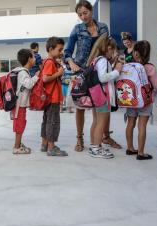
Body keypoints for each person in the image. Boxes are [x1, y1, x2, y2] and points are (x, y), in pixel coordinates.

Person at [64, 0, 120, 152]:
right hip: (82, 71)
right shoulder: (77, 29)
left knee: (102, 105)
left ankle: (104, 136)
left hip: (99, 69)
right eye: (80, 14)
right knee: (80, 106)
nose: (83, 16)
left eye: (85, 13)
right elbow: (67, 51)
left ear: (91, 11)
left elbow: (108, 46)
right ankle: (79, 138)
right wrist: (71, 62)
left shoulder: (103, 27)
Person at [125, 40, 157, 160]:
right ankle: (140, 153)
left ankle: (130, 148)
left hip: (131, 100)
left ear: (135, 53)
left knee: (130, 124)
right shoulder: (149, 67)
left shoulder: (129, 66)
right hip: (145, 101)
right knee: (142, 126)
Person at [86, 34, 122, 159]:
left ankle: (94, 145)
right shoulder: (103, 60)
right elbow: (103, 77)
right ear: (108, 48)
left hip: (96, 96)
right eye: (113, 49)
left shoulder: (96, 60)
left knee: (96, 121)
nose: (114, 52)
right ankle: (96, 148)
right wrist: (117, 70)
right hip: (103, 96)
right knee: (101, 122)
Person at [40, 36, 68, 157]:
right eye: (59, 49)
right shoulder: (50, 62)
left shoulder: (49, 62)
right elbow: (45, 78)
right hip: (53, 97)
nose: (61, 52)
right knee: (53, 122)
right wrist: (59, 73)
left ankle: (44, 144)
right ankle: (51, 148)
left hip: (49, 98)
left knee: (47, 121)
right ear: (51, 49)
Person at [11, 49, 39, 154]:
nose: (35, 59)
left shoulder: (22, 71)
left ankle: (18, 144)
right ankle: (16, 147)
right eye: (33, 57)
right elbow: (29, 84)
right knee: (20, 125)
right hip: (19, 105)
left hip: (20, 104)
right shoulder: (22, 72)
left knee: (21, 124)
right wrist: (37, 76)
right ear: (29, 59)